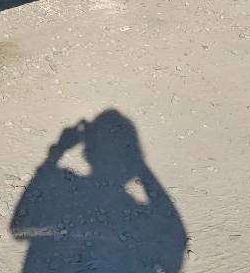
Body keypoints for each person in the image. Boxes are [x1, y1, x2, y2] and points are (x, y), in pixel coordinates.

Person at [11, 110, 187, 272]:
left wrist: (55, 153)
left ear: (87, 153)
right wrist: (140, 164)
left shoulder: (62, 185)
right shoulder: (137, 216)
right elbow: (176, 241)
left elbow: (18, 225)